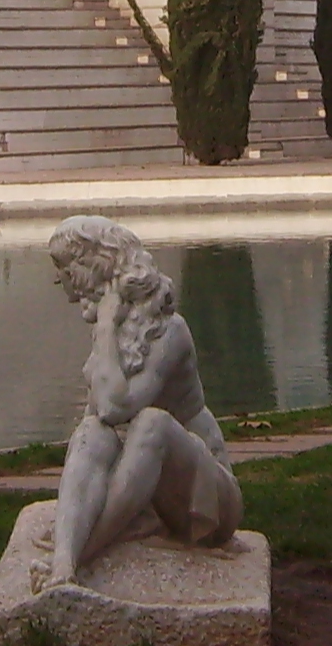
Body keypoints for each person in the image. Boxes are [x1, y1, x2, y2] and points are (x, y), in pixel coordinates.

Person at [40, 216, 243, 591]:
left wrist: (104, 328)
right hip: (151, 499)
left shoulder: (169, 330)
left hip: (207, 504)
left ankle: (81, 555)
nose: (62, 284)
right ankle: (63, 565)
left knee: (152, 422)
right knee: (90, 432)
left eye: (66, 271)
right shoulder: (118, 328)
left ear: (93, 269)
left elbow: (118, 408)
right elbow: (100, 417)